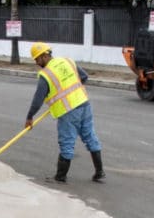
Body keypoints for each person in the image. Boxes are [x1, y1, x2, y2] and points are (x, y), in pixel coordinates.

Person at [24, 42, 105, 184]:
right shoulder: (67, 61)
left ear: (44, 56)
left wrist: (30, 116)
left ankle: (60, 176)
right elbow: (84, 77)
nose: (37, 63)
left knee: (66, 142)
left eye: (37, 59)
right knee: (90, 137)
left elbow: (38, 99)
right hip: (84, 104)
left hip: (68, 111)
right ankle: (100, 172)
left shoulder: (46, 74)